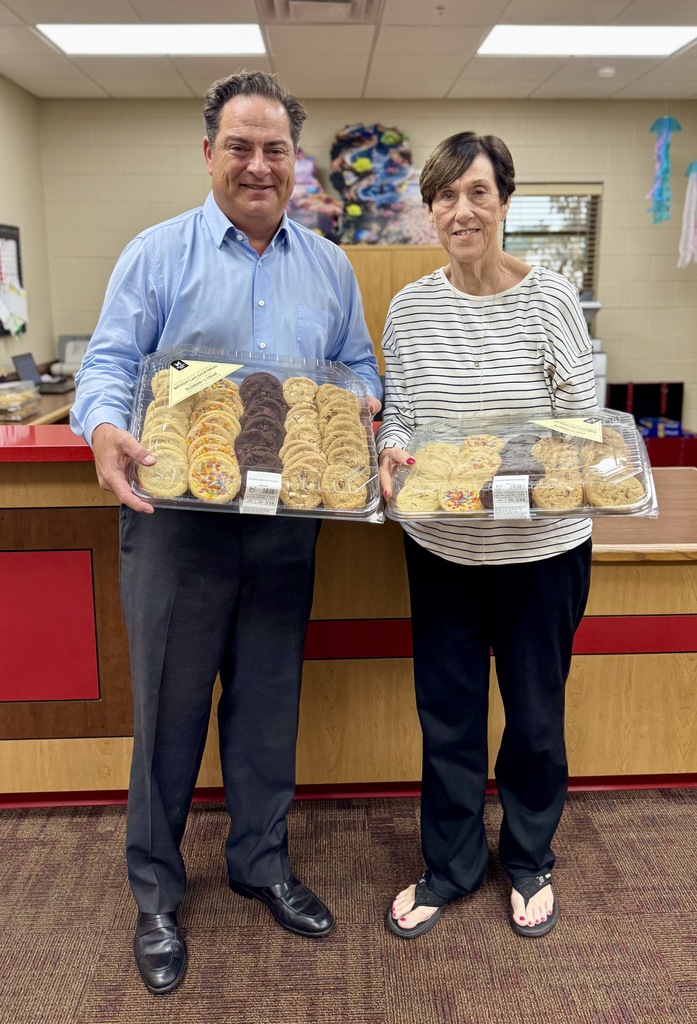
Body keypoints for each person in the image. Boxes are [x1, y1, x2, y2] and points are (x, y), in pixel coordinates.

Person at [71, 70, 381, 995]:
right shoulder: (155, 254)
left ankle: (260, 863)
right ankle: (157, 893)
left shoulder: (328, 264)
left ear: (296, 162)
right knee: (167, 710)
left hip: (288, 521)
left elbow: (357, 364)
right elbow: (111, 363)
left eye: (274, 148)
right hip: (176, 526)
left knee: (266, 705)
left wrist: (360, 402)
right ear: (208, 153)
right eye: (239, 146)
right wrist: (100, 428)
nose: (258, 164)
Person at [377, 132, 595, 941]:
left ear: (505, 200)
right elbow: (399, 413)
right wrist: (391, 450)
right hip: (442, 548)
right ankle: (452, 864)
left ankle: (529, 855)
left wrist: (530, 471)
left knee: (535, 716)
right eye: (445, 196)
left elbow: (578, 425)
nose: (460, 210)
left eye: (476, 192)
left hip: (539, 551)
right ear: (430, 210)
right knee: (448, 715)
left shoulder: (551, 300)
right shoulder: (410, 307)